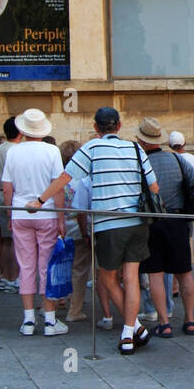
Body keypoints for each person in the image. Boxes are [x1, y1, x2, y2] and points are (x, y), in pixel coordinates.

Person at [30, 107, 159, 356]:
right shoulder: (135, 148)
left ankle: (129, 333)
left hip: (108, 224)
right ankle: (134, 330)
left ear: (95, 126)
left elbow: (65, 177)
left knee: (107, 279)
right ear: (119, 126)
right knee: (131, 278)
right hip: (136, 223)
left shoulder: (91, 148)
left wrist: (39, 200)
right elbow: (154, 187)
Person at [2, 108, 67, 336]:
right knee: (46, 266)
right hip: (46, 212)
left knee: (26, 265)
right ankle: (49, 318)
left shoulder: (13, 152)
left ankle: (28, 319)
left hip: (20, 212)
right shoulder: (51, 151)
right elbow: (58, 186)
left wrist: (10, 214)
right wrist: (61, 217)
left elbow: (7, 188)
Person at [135, 119, 194, 337]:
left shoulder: (140, 163)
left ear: (142, 140)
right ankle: (190, 320)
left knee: (155, 274)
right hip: (177, 220)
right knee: (185, 273)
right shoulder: (177, 160)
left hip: (152, 222)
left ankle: (164, 323)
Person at [59, 140, 116, 329]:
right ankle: (78, 309)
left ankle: (59, 303)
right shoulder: (84, 178)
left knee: (68, 268)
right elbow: (82, 212)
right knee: (92, 270)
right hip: (87, 229)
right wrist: (85, 232)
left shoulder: (63, 178)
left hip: (65, 229)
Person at [169, 130, 194, 278]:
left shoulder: (169, 158)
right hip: (189, 205)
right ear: (184, 144)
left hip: (173, 206)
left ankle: (174, 282)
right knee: (186, 239)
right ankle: (184, 273)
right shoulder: (193, 159)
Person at [0, 117, 22, 292]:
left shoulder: (1, 148)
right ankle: (13, 277)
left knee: (4, 240)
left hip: (2, 196)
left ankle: (5, 275)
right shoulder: (15, 150)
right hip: (13, 196)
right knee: (13, 242)